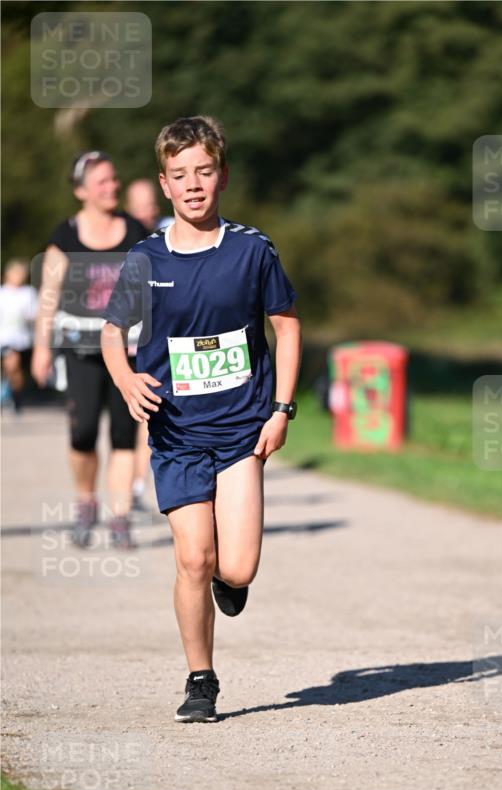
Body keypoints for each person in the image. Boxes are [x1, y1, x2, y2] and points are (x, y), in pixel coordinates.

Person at [101, 116, 301, 723]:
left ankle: (229, 582)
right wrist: (127, 377)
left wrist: (282, 409)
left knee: (234, 566)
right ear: (164, 185)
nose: (194, 185)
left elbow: (286, 327)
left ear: (222, 176)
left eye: (204, 172)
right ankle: (200, 679)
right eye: (181, 175)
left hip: (242, 429)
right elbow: (114, 335)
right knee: (193, 558)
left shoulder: (251, 249)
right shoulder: (145, 257)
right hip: (177, 432)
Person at [31, 152, 149, 548]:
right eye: (102, 181)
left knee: (123, 435)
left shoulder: (136, 231)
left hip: (128, 350)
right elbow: (48, 298)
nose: (112, 186)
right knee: (82, 432)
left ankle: (119, 518)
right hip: (79, 349)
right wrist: (41, 349)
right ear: (82, 191)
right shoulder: (64, 236)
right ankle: (86, 501)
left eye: (114, 179)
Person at [124, 178, 174, 512]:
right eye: (140, 205)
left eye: (151, 203)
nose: (148, 210)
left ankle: (139, 485)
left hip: (163, 343)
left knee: (148, 417)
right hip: (126, 344)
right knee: (126, 423)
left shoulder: (172, 230)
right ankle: (132, 485)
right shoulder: (122, 238)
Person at [0, 259, 38, 414]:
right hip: (4, 336)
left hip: (20, 338)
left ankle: (14, 397)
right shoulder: (2, 293)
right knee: (11, 364)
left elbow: (34, 315)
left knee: (14, 368)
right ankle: (8, 395)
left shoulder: (28, 293)